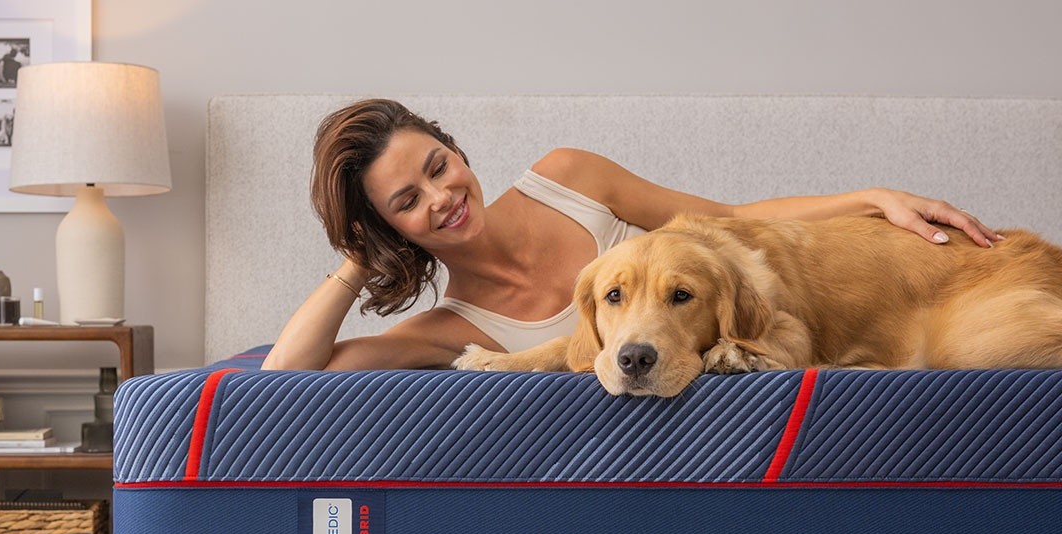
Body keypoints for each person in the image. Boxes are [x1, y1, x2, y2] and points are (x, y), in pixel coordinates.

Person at [262, 98, 1003, 372]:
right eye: (408, 201)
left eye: (439, 164)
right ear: (390, 228)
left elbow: (736, 221)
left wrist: (870, 197)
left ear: (457, 150)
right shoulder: (452, 327)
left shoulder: (567, 176)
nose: (444, 195)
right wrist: (358, 260)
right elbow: (285, 382)